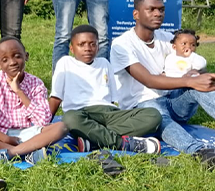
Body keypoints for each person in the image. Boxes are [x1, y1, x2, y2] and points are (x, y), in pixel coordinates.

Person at [110, 0, 215, 163]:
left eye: (161, 9)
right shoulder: (121, 44)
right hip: (142, 108)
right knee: (157, 114)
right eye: (151, 9)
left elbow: (194, 63)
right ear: (136, 14)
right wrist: (189, 80)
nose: (158, 14)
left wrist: (195, 73)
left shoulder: (168, 38)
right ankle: (200, 152)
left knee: (198, 86)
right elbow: (149, 80)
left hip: (173, 101)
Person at [49, 24, 162, 153]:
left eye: (92, 44)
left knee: (154, 115)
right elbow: (56, 97)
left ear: (98, 47)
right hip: (81, 114)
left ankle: (95, 140)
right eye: (81, 44)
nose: (87, 48)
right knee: (69, 119)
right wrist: (43, 125)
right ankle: (123, 144)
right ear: (72, 48)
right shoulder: (65, 63)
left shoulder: (104, 63)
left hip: (108, 114)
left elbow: (112, 100)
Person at [0, 37, 67, 166]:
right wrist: (3, 137)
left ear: (26, 56)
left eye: (17, 56)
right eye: (5, 60)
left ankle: (10, 153)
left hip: (29, 133)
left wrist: (19, 91)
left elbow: (44, 120)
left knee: (62, 127)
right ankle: (27, 152)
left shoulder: (35, 83)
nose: (12, 62)